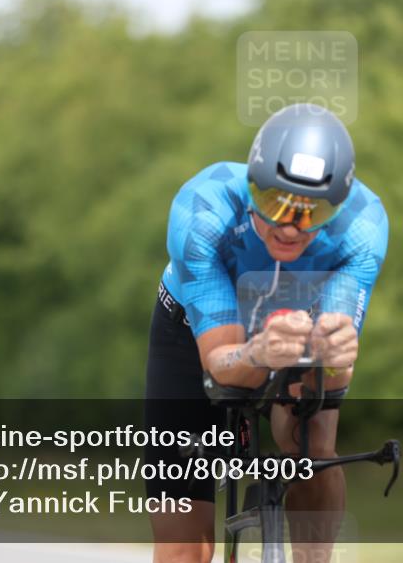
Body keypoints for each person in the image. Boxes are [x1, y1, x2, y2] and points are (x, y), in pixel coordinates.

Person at [144, 103, 389, 563]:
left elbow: (334, 373)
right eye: (275, 203)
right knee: (183, 547)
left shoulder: (362, 226)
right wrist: (256, 353)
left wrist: (336, 355)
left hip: (297, 332)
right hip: (194, 332)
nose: (290, 227)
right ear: (252, 184)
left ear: (337, 205)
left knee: (311, 446)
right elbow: (220, 366)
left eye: (312, 212)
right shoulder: (203, 209)